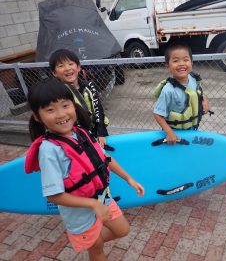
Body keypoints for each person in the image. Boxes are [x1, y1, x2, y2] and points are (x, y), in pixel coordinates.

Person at [24, 78, 144, 261]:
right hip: (80, 216)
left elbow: (104, 158)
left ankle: (93, 242)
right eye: (50, 110)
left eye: (65, 105)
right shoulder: (49, 150)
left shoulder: (82, 133)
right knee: (97, 251)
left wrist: (129, 178)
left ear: (73, 105)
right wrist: (93, 205)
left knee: (122, 230)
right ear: (38, 117)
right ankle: (93, 244)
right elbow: (53, 195)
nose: (60, 114)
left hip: (103, 200)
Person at [49, 49, 110, 149]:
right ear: (54, 72)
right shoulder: (58, 94)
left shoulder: (89, 86)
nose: (67, 68)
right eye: (61, 66)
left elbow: (98, 108)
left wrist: (101, 132)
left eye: (70, 64)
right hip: (77, 137)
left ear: (78, 67)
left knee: (106, 157)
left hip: (97, 131)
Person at [153, 42, 211, 144]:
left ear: (191, 63)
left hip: (193, 130)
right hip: (175, 135)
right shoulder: (168, 90)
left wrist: (204, 101)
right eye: (175, 61)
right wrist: (169, 133)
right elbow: (158, 114)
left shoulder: (193, 79)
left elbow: (199, 92)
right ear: (168, 66)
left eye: (186, 60)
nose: (181, 64)